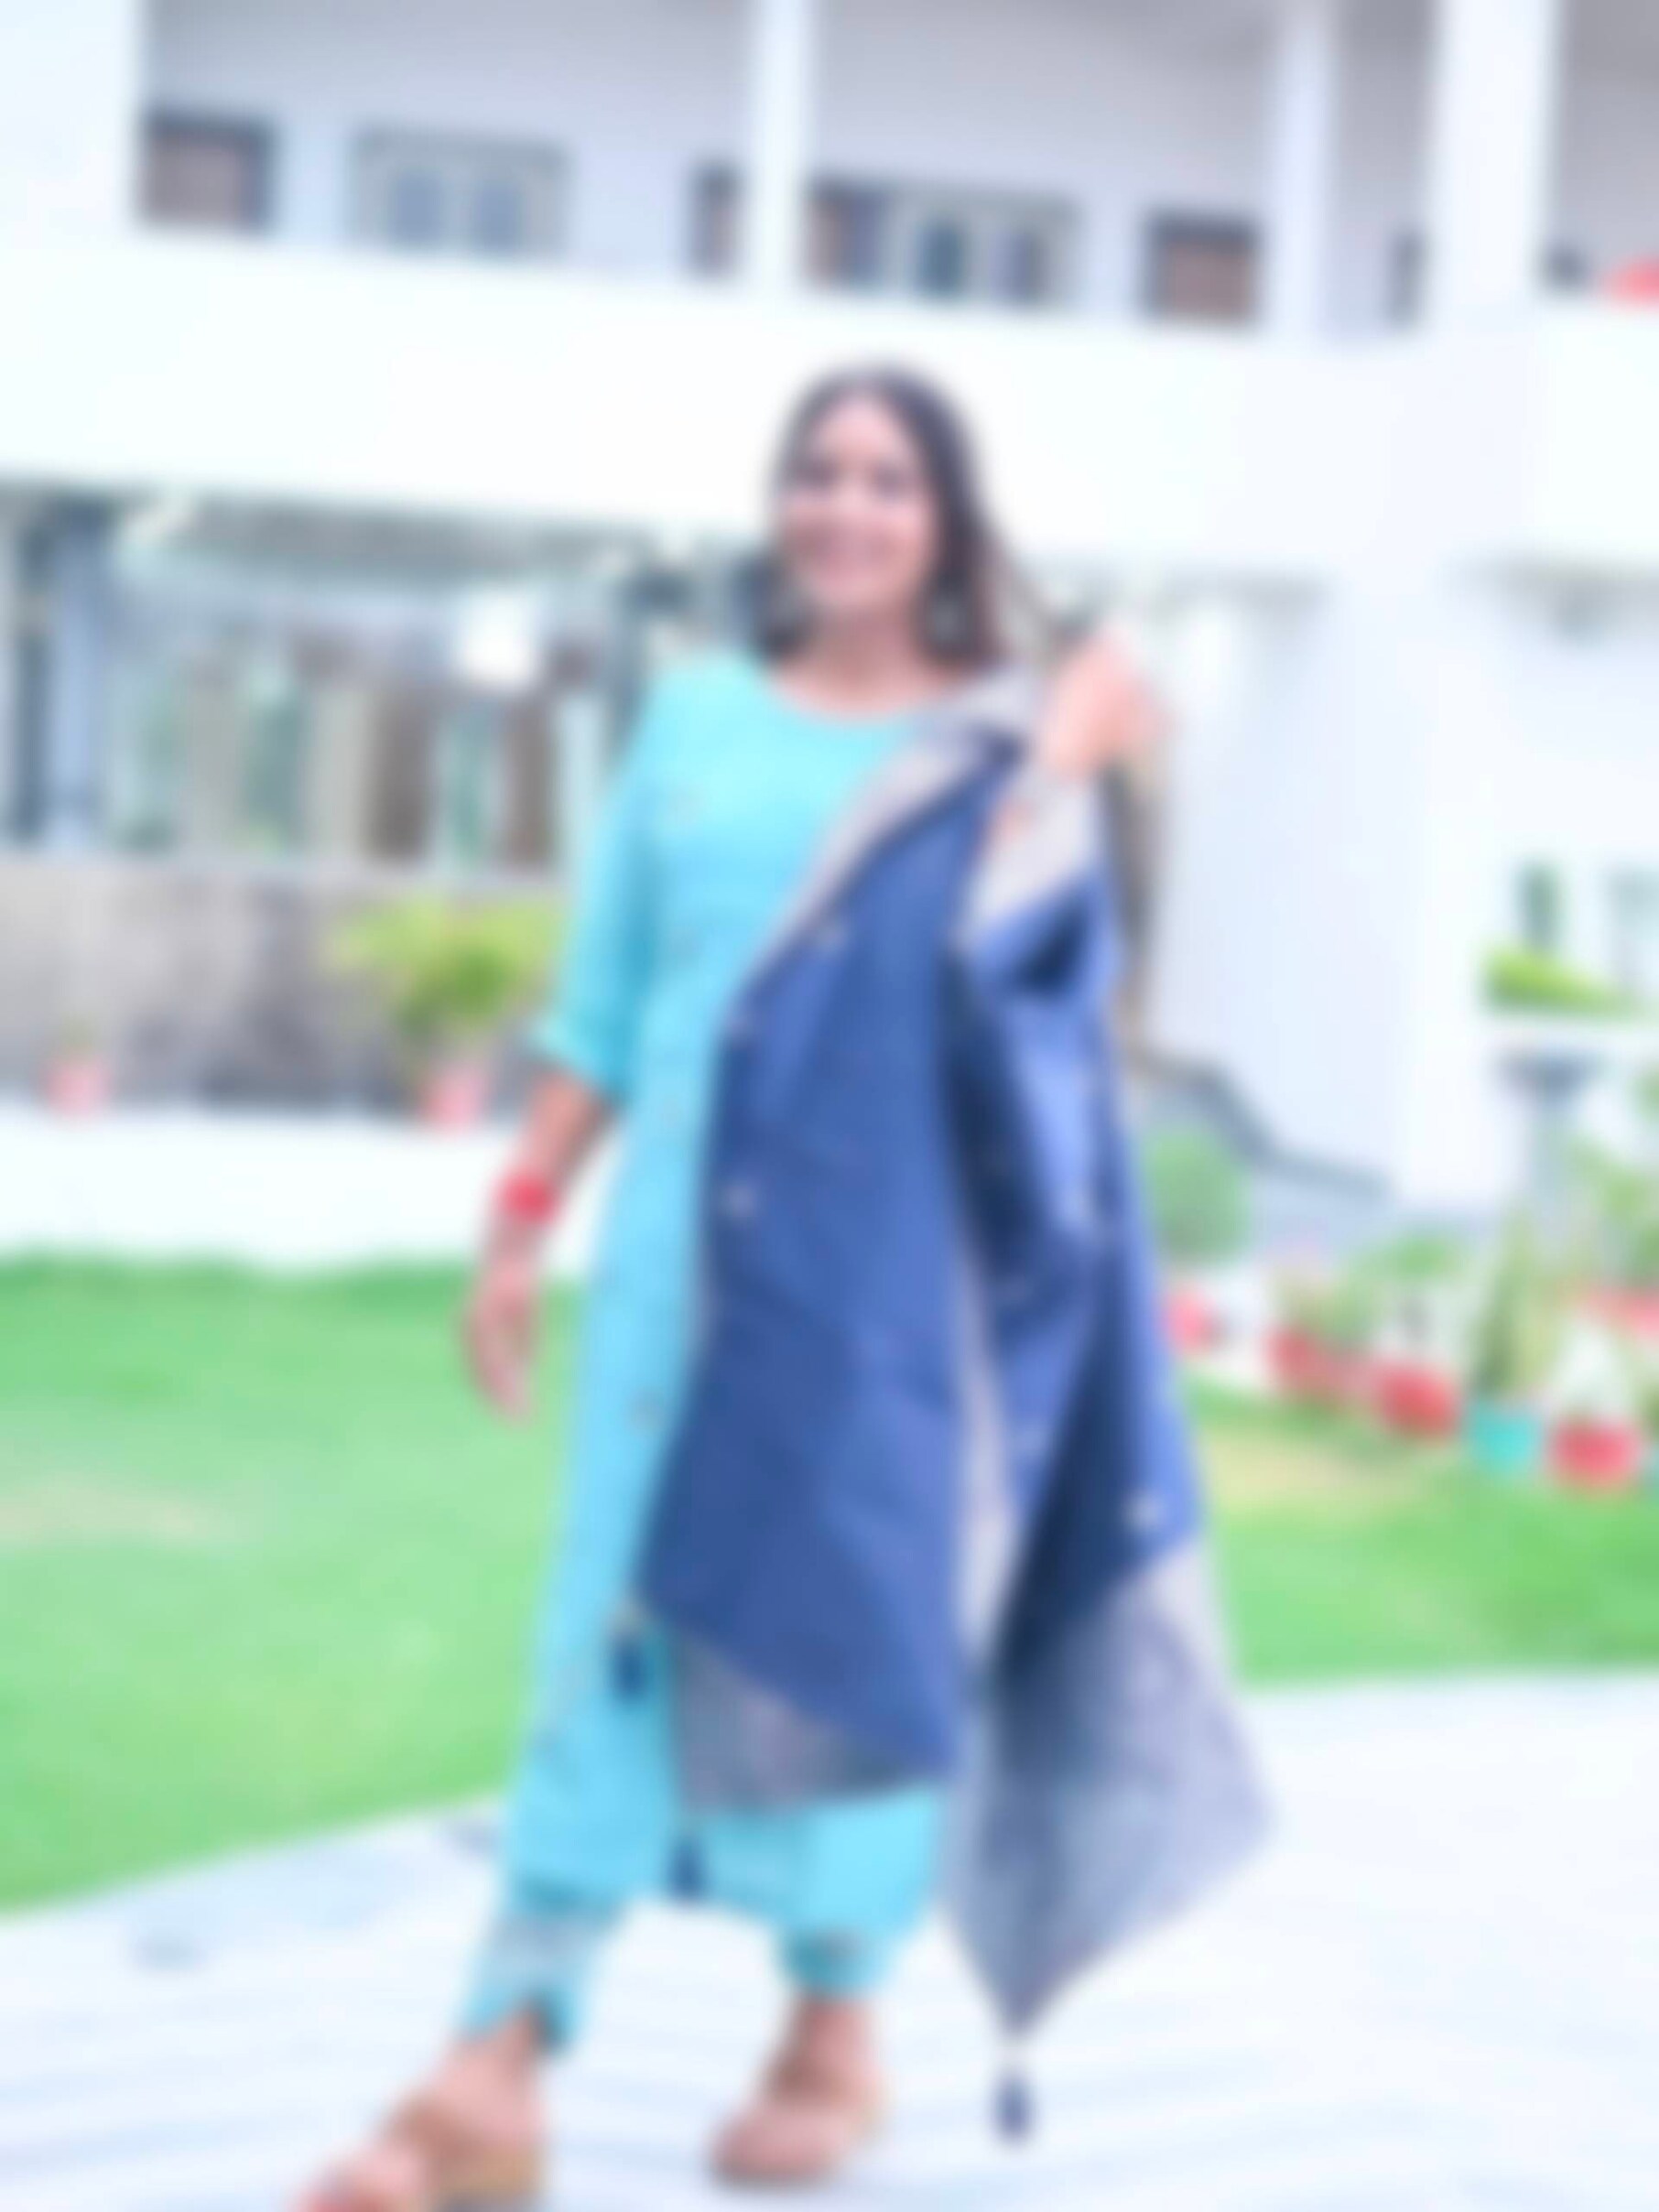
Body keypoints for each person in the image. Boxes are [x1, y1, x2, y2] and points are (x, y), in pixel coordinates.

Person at [301, 366, 1209, 2212]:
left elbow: (1034, 996)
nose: (846, 507)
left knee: (856, 1628)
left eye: (890, 478)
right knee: (611, 1623)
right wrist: (519, 1213)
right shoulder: (696, 716)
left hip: (886, 1288)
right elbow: (610, 996)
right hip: (677, 1280)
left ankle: (835, 2026)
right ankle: (499, 2055)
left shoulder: (996, 736)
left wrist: (1058, 765)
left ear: (945, 521)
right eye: (819, 471)